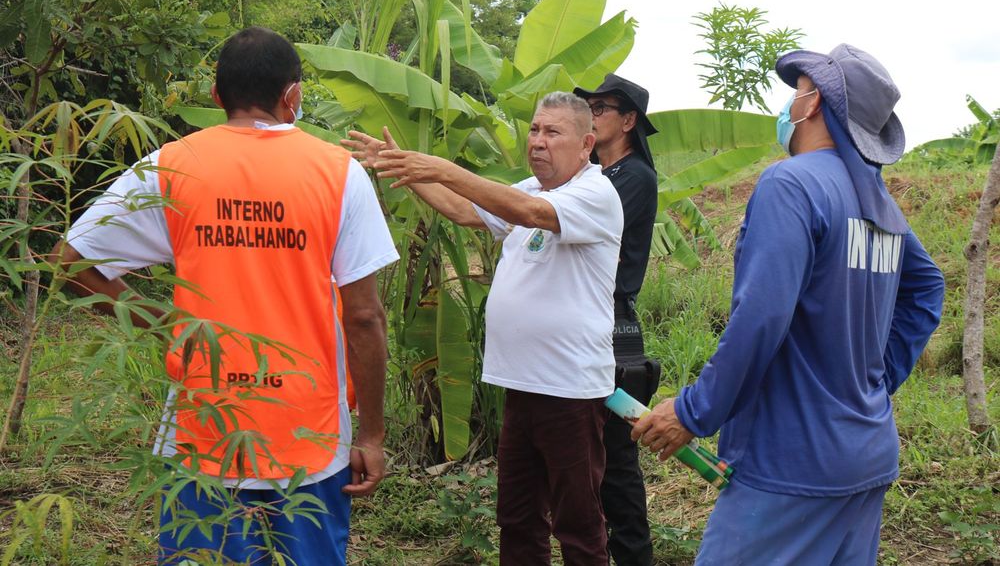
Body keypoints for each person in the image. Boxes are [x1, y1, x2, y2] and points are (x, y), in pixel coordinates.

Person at [52, 27, 398, 565]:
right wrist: (372, 437)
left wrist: (165, 329)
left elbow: (69, 264)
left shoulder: (171, 165)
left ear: (217, 98)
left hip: (201, 429)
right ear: (293, 97)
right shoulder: (340, 173)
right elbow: (364, 317)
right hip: (307, 430)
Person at [631, 44, 945, 565]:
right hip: (864, 453)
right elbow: (927, 286)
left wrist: (693, 410)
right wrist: (873, 381)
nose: (789, 107)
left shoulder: (792, 184)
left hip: (792, 464)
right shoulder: (877, 199)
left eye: (795, 93)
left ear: (813, 102)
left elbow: (762, 316)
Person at [343, 92, 623, 565]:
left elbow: (528, 215)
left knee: (577, 522)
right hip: (520, 383)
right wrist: (407, 171)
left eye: (552, 132)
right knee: (516, 518)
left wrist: (443, 167)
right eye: (535, 130)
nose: (537, 141)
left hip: (570, 388)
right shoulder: (531, 190)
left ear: (586, 144)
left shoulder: (594, 194)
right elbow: (464, 210)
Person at [573, 74, 659, 566]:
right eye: (589, 105)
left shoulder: (633, 179)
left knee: (616, 458)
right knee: (587, 455)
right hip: (586, 322)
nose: (593, 113)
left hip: (613, 326)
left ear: (628, 122)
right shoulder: (595, 175)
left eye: (602, 107)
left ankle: (632, 557)